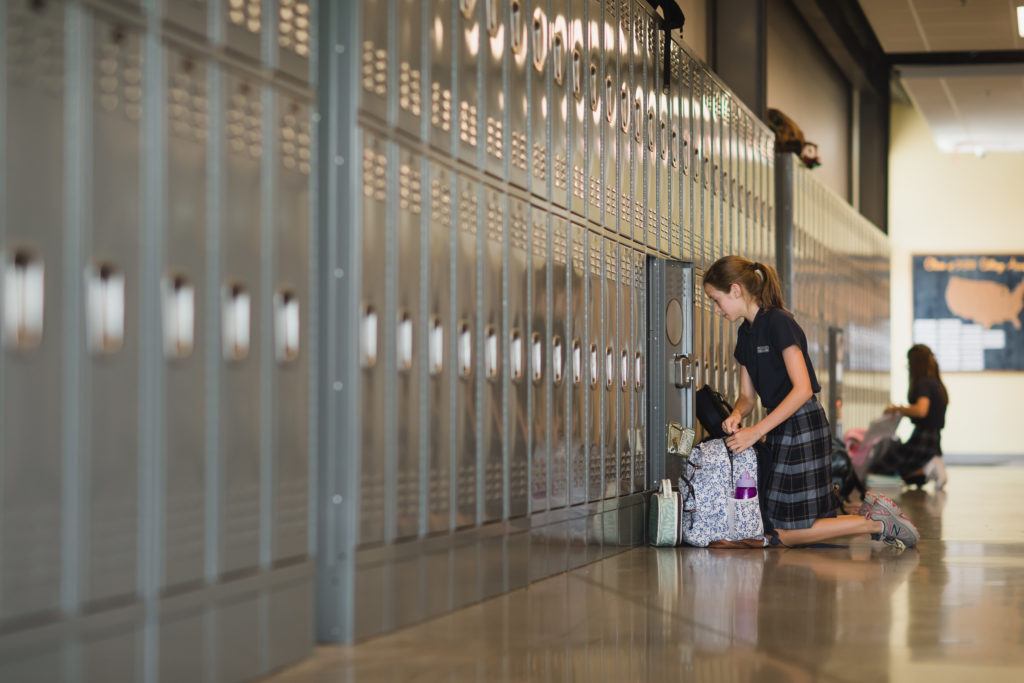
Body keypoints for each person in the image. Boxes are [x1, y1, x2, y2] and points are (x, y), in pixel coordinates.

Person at [703, 255, 919, 549]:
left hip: (803, 423)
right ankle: (875, 519)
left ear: (736, 290)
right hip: (780, 425)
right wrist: (737, 415)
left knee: (784, 528)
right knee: (783, 521)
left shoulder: (779, 322)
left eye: (717, 300)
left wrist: (755, 432)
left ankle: (877, 523)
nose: (716, 309)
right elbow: (747, 397)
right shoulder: (745, 334)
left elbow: (803, 389)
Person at [884, 344, 949, 489]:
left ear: (915, 363)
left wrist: (897, 409)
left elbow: (921, 410)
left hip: (923, 436)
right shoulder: (935, 382)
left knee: (888, 464)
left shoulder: (924, 383)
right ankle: (932, 464)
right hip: (933, 437)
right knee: (910, 477)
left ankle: (929, 466)